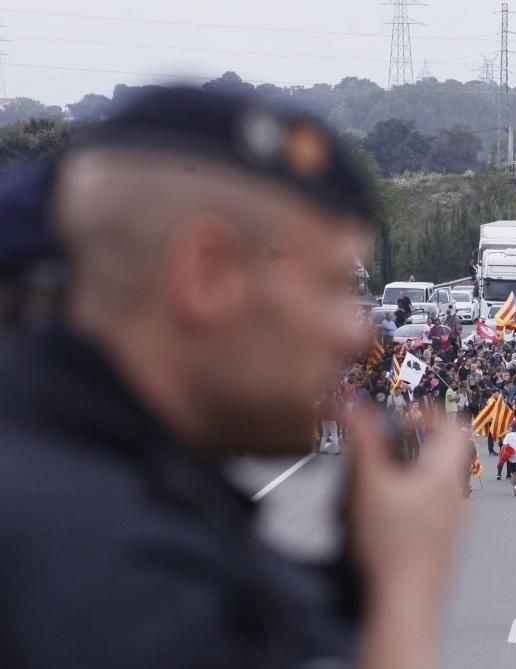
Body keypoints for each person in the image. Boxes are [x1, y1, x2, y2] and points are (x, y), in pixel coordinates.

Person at [0, 86, 469, 668]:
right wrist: (405, 592)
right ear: (207, 277)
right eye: (328, 287)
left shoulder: (87, 473)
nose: (355, 336)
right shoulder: (118, 582)